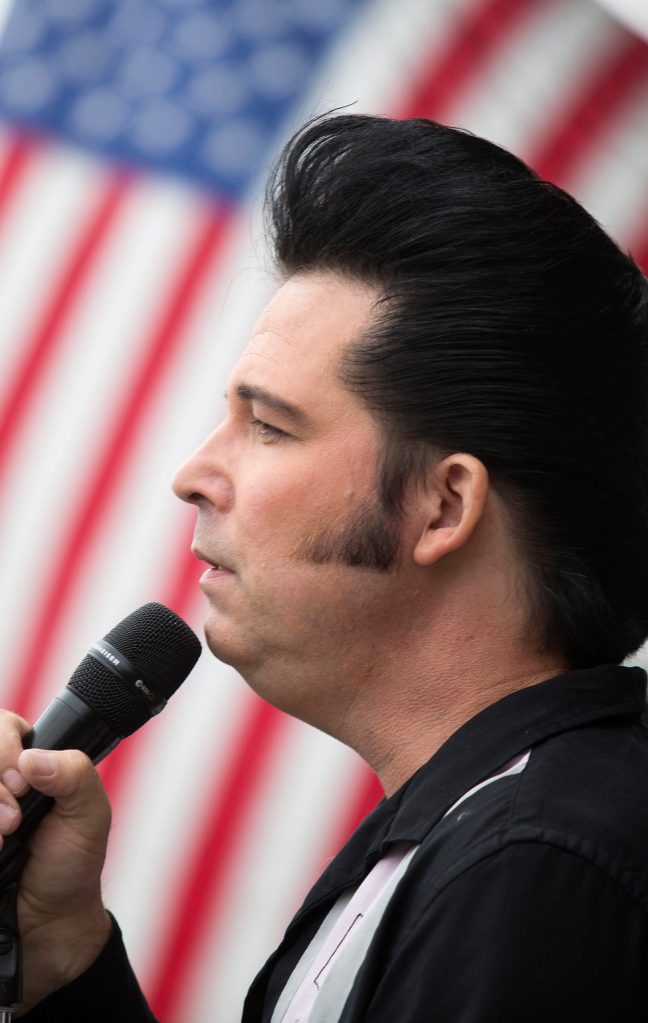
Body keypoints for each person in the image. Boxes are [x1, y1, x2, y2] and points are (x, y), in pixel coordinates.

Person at [1, 113, 648, 1021]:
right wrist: (65, 962)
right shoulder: (483, 836)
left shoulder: (538, 863)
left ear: (443, 507)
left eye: (268, 425)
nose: (192, 475)